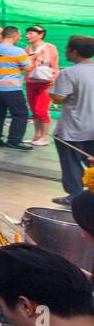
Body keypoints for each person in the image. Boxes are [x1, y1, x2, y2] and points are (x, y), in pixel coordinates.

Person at [52, 34, 94, 207]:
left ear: (75, 51)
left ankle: (75, 196)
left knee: (71, 164)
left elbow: (58, 98)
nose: (66, 51)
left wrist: (50, 90)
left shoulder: (69, 73)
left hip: (72, 129)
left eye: (68, 48)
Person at [0, 27, 32, 151]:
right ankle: (14, 140)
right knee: (20, 113)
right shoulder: (18, 51)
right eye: (20, 35)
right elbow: (28, 68)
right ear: (15, 35)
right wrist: (31, 61)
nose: (21, 38)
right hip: (11, 87)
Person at [24, 25, 59, 146]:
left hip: (46, 82)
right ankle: (36, 136)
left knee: (42, 109)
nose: (28, 36)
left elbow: (51, 63)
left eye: (31, 33)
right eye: (27, 33)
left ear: (41, 34)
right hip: (31, 81)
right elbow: (25, 64)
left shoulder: (49, 47)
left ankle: (44, 137)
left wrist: (35, 58)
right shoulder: (27, 48)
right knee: (34, 110)